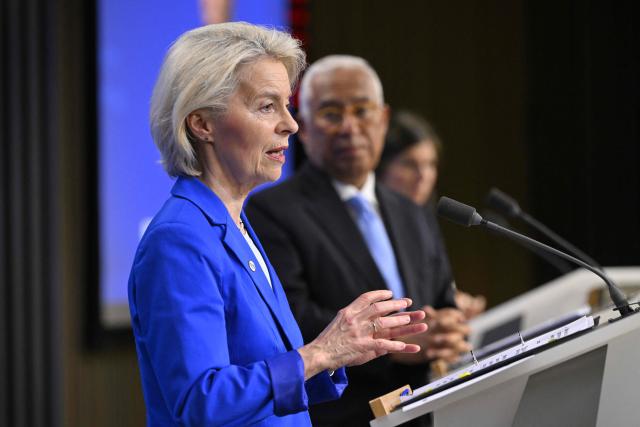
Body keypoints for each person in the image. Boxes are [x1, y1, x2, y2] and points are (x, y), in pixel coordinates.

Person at [128, 24, 429, 427]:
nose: (291, 124)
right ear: (202, 123)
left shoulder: (236, 224)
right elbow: (201, 404)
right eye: (267, 106)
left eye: (287, 105)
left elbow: (271, 381)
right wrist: (321, 352)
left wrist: (341, 355)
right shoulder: (179, 240)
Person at [246, 55, 471, 426]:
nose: (349, 127)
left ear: (382, 120)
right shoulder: (272, 210)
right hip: (343, 413)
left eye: (362, 111)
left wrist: (448, 328)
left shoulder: (411, 209)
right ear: (303, 127)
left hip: (426, 410)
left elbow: (442, 297)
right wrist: (394, 345)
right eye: (331, 114)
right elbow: (290, 320)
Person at [378, 111, 486, 319]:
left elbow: (435, 289)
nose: (423, 176)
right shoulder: (371, 226)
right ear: (382, 166)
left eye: (431, 164)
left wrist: (453, 304)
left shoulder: (424, 217)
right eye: (410, 164)